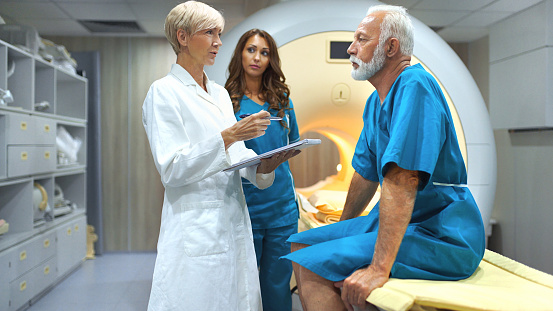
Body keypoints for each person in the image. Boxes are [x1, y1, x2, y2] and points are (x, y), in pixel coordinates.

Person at [283, 5, 485, 311]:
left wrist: (378, 268)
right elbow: (365, 174)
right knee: (301, 243)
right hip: (409, 224)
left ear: (391, 47)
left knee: (311, 264)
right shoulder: (374, 103)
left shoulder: (415, 86)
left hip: (440, 231)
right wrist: (341, 231)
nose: (351, 48)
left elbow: (403, 178)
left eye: (361, 39)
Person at [141, 2, 299, 310]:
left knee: (241, 299)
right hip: (196, 226)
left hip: (232, 220)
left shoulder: (219, 94)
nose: (218, 42)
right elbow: (172, 169)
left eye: (220, 33)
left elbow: (236, 155)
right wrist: (229, 135)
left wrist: (263, 167)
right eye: (210, 33)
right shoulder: (163, 92)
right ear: (182, 37)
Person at [225, 29, 300, 311]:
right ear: (240, 54)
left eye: (264, 52)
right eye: (251, 49)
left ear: (271, 59)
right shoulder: (226, 100)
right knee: (244, 286)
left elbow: (294, 144)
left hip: (282, 207)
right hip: (246, 206)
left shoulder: (281, 99)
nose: (257, 57)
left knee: (278, 283)